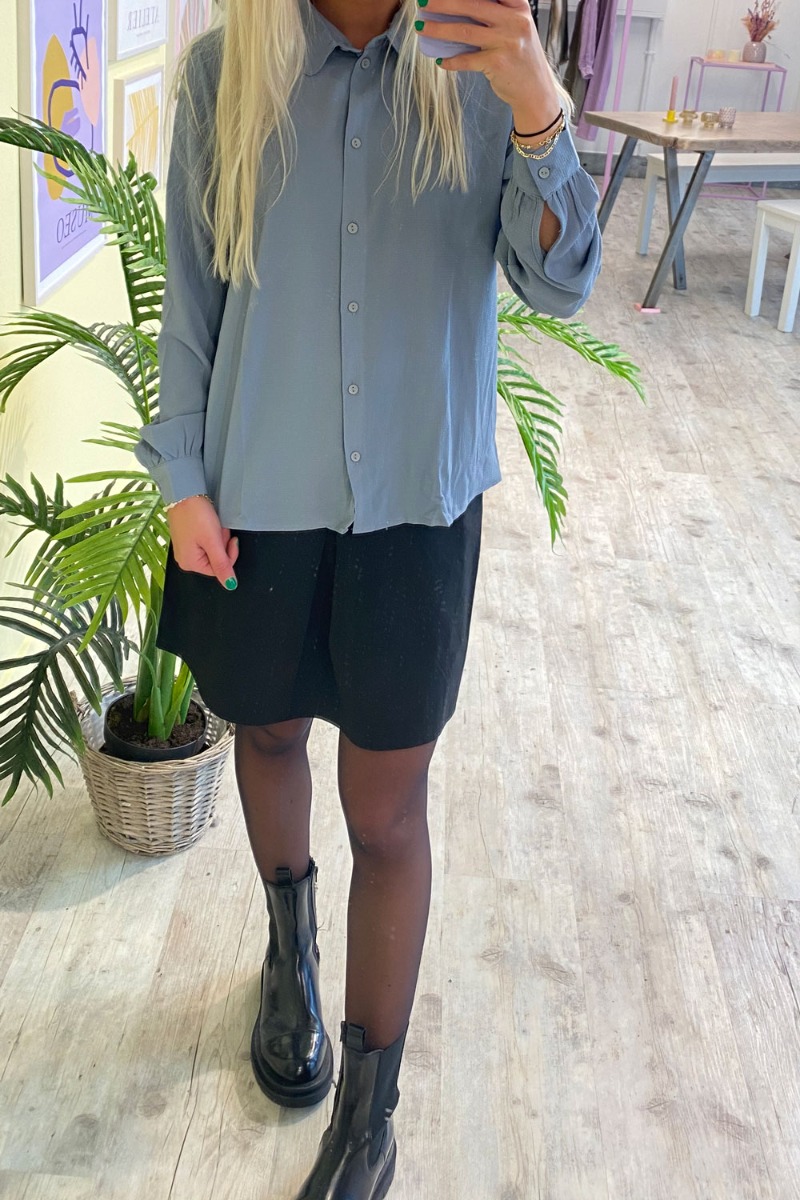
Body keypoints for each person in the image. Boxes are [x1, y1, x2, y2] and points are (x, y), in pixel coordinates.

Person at [134, 0, 601, 1195]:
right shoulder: (224, 75)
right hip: (258, 496)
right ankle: (288, 954)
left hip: (414, 508)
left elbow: (560, 282)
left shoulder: (484, 74)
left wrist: (535, 105)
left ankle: (367, 1118)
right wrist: (180, 476)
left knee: (387, 815)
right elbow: (190, 291)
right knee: (267, 734)